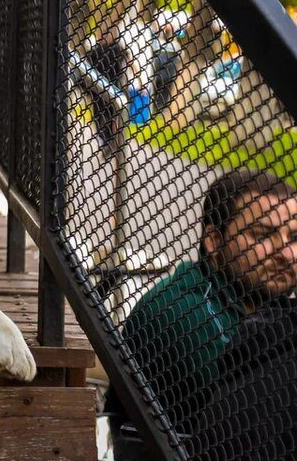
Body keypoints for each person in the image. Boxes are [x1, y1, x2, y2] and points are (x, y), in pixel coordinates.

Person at [107, 170, 297, 460]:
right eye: (263, 235)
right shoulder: (183, 315)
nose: (286, 254)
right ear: (213, 240)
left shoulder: (257, 303)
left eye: (293, 237)